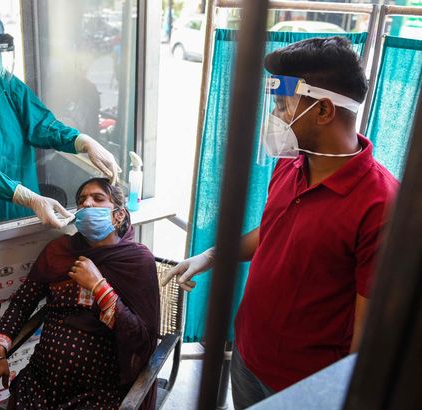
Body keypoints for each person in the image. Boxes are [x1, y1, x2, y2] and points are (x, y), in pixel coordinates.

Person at [162, 37, 400, 408]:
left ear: (322, 111)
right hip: (247, 356)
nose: (275, 118)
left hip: (303, 385)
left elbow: (367, 332)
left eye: (282, 106)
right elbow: (273, 231)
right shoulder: (290, 164)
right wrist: (212, 255)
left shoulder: (382, 205)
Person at [0, 5, 121, 231]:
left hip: (25, 215)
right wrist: (25, 196)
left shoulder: (6, 85)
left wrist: (82, 141)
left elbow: (42, 124)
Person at [0, 177, 159, 409]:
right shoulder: (59, 251)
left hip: (99, 393)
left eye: (98, 198)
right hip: (40, 383)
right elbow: (23, 302)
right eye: (82, 200)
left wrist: (99, 288)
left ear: (119, 215)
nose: (87, 204)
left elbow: (140, 341)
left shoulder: (136, 261)